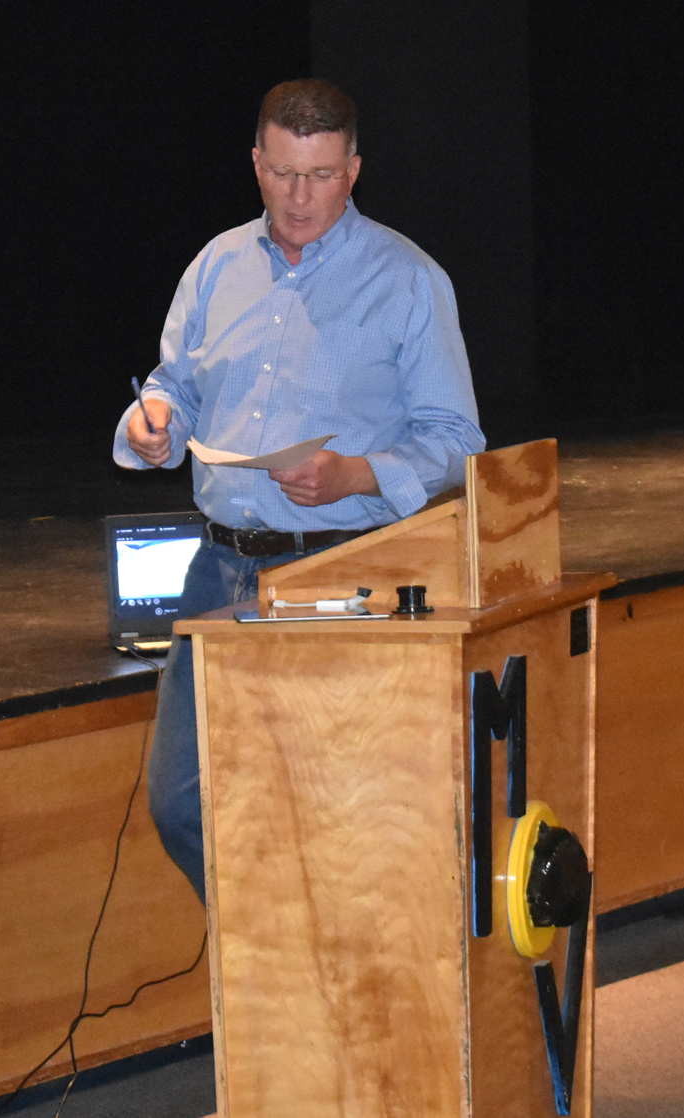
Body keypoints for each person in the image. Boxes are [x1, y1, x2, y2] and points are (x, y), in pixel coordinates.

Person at [113, 79, 485, 903]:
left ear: (353, 169)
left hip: (340, 575)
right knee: (182, 803)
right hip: (220, 575)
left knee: (336, 811)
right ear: (256, 163)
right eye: (282, 174)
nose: (299, 197)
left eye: (319, 176)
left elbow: (459, 443)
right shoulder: (215, 265)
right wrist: (157, 419)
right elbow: (176, 378)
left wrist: (359, 474)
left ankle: (311, 986)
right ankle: (277, 961)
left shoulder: (408, 278)